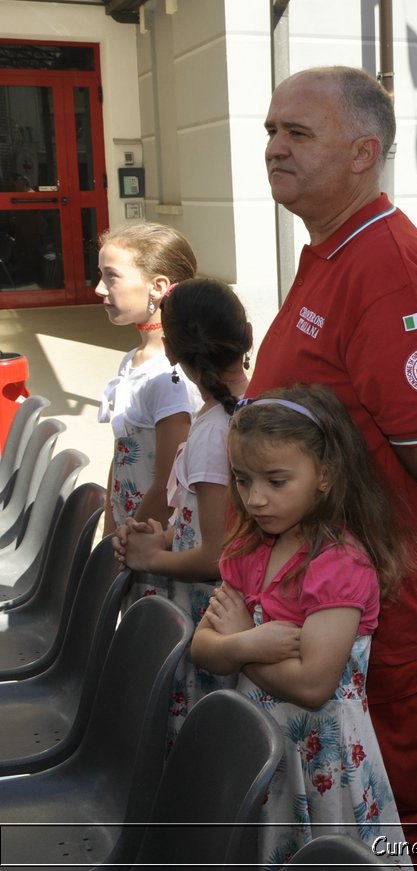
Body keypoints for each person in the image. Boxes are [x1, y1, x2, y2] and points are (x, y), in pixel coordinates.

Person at [255, 66, 417, 862]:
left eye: (297, 133)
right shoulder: (331, 245)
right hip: (314, 591)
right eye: (270, 131)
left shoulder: (383, 264)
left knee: (415, 785)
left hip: (373, 601)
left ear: (363, 153)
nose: (275, 148)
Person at [190, 386, 412, 870]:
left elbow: (313, 685)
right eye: (244, 480)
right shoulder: (249, 551)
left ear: (325, 475)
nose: (255, 498)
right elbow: (202, 647)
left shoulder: (340, 564)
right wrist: (249, 641)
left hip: (325, 763)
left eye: (276, 480)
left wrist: (241, 643)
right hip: (263, 752)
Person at [115, 277, 250, 736]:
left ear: (171, 350)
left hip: (207, 617)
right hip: (216, 608)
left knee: (200, 732)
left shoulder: (215, 431)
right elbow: (204, 525)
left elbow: (216, 554)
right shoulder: (243, 410)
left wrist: (152, 557)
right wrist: (163, 536)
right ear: (246, 333)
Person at [93, 223, 199, 543]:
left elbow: (167, 487)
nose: (99, 288)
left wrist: (124, 542)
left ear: (158, 285)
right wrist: (111, 528)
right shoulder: (133, 360)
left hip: (150, 541)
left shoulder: (169, 376)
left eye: (111, 276)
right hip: (129, 533)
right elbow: (122, 456)